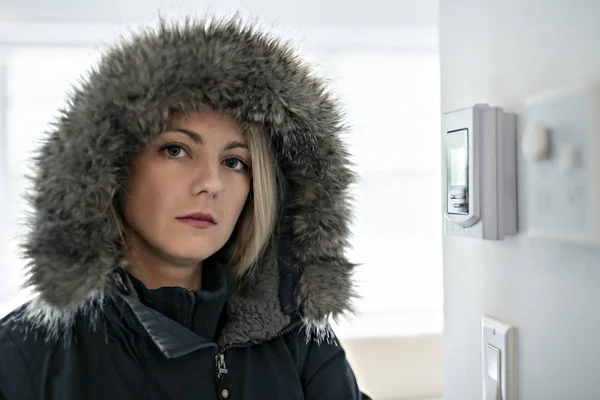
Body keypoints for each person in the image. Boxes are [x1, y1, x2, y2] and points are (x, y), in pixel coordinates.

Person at [0, 17, 371, 400]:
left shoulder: (298, 340)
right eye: (175, 150)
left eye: (234, 162)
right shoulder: (25, 356)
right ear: (112, 168)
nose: (210, 183)